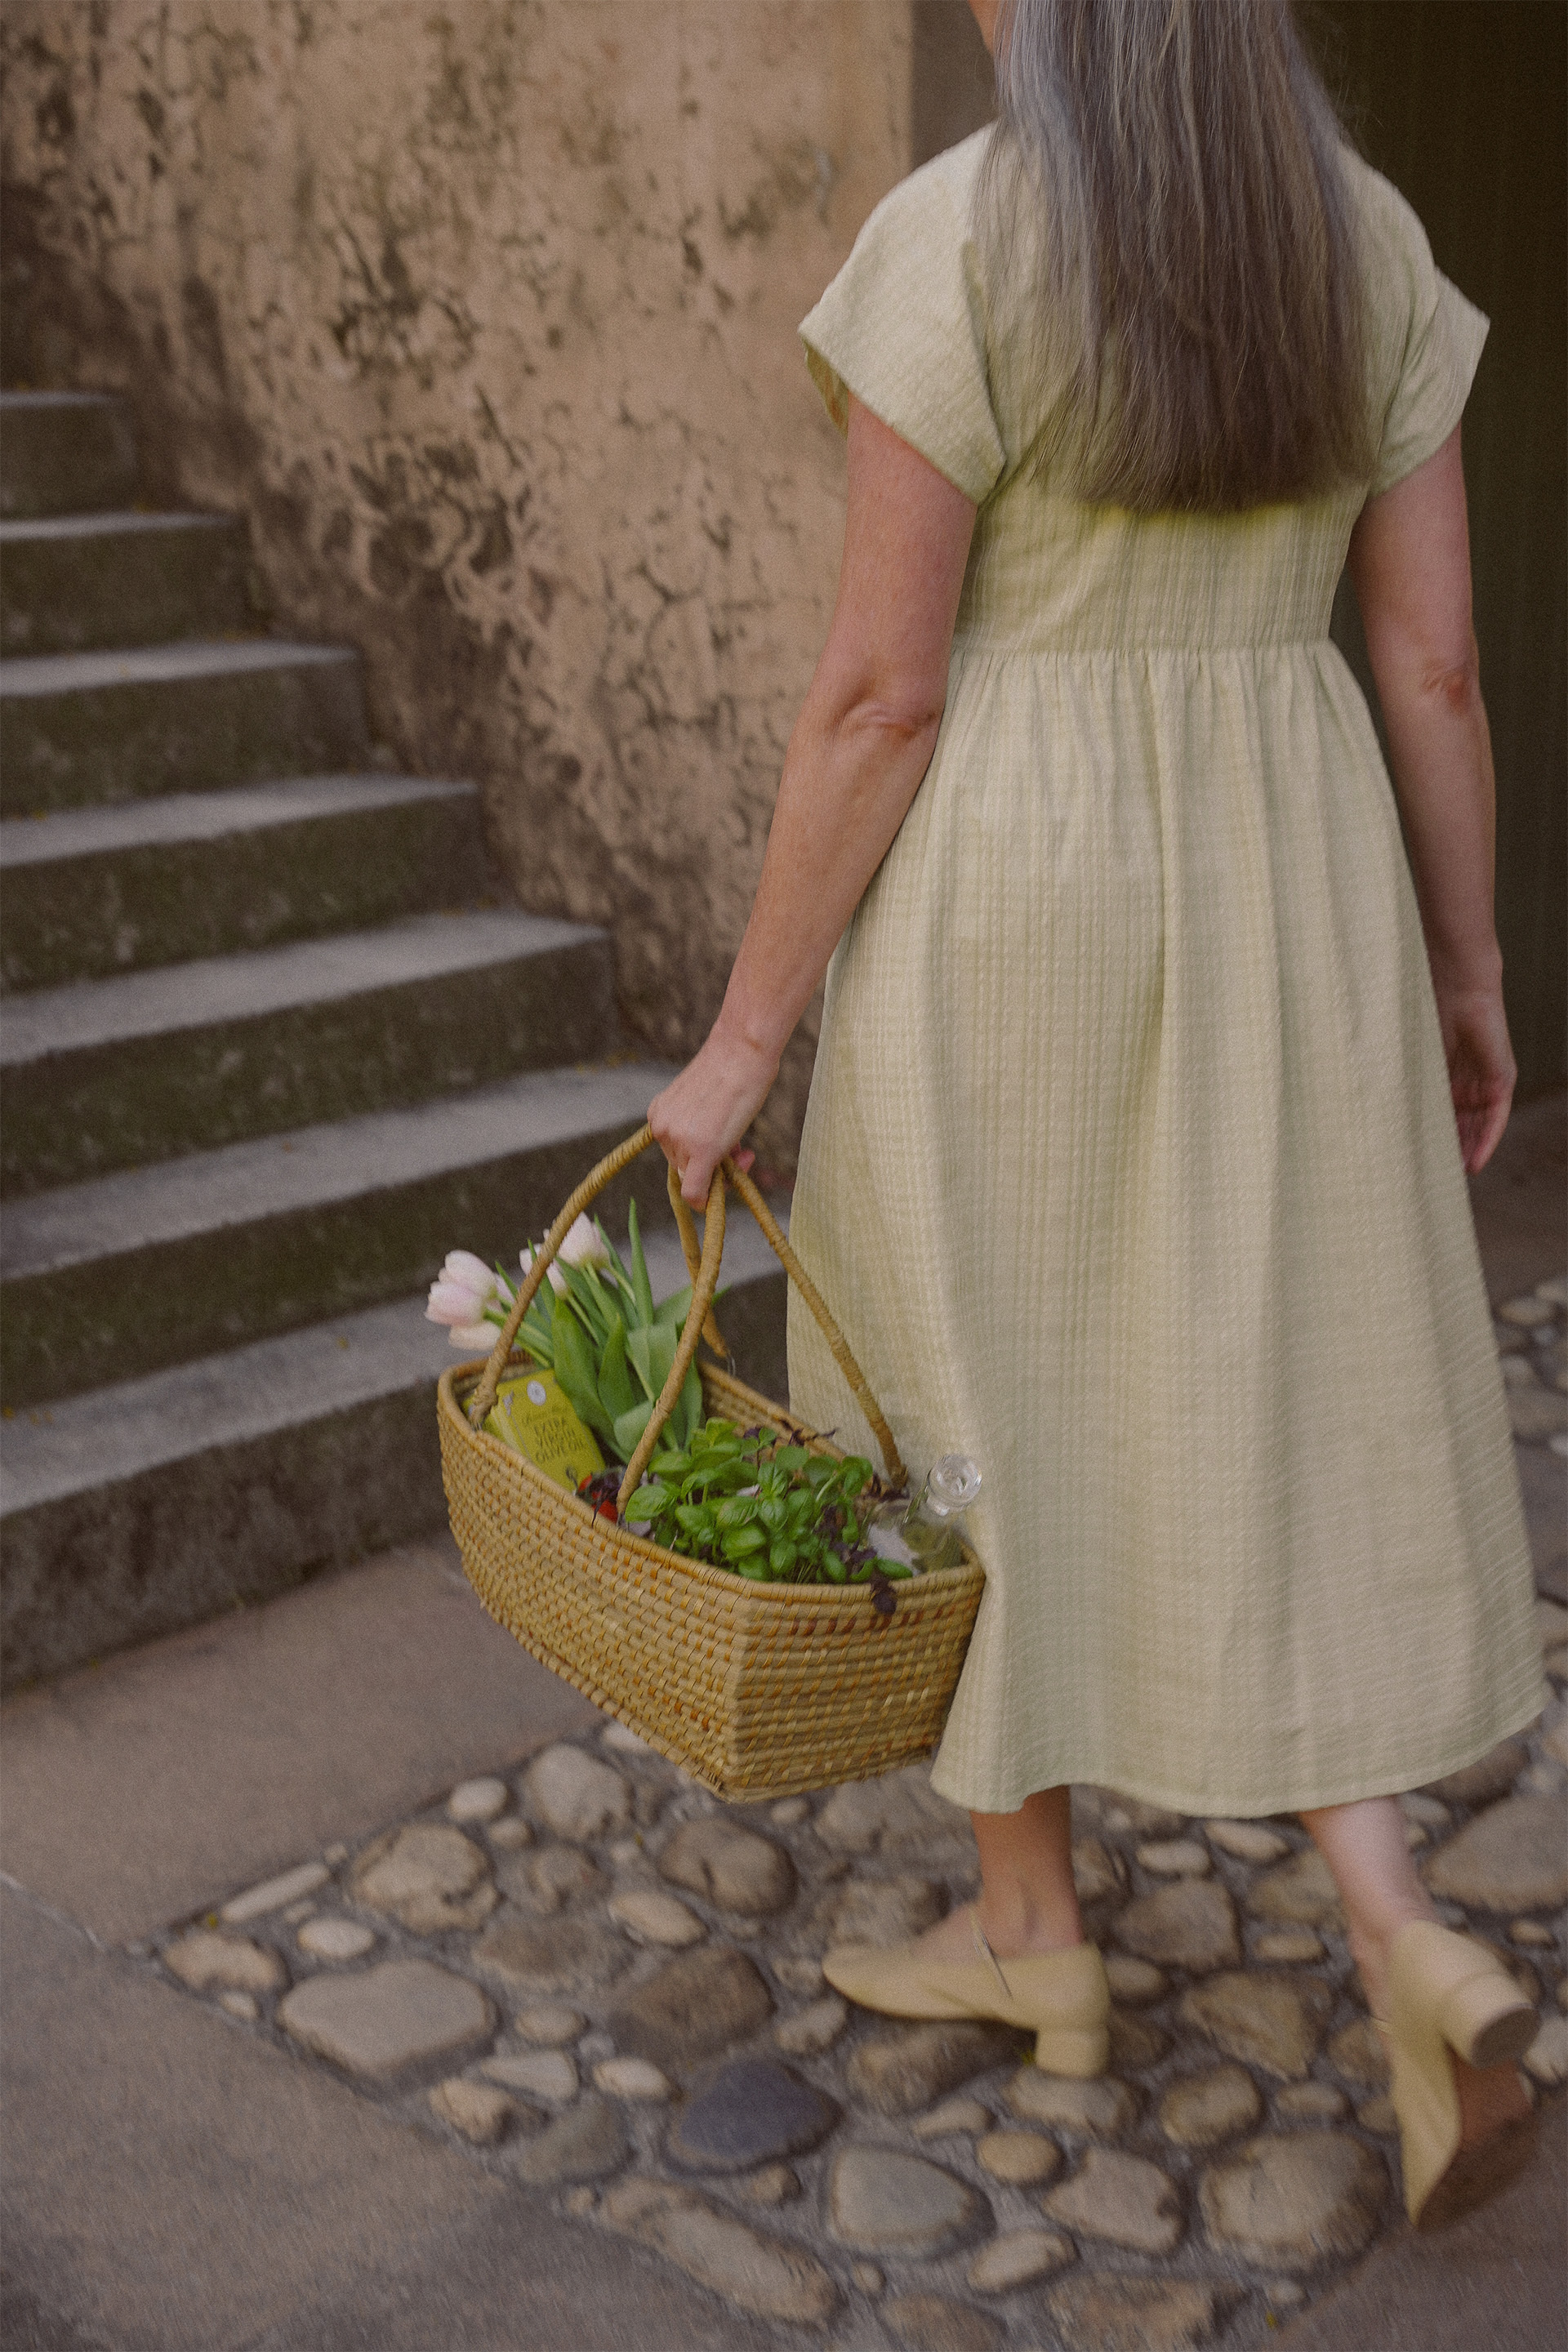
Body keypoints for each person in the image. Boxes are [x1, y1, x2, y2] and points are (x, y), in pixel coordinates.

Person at [649, 0, 1543, 2228]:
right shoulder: (1360, 236)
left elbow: (880, 688)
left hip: (1015, 891)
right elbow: (1430, 664)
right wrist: (1466, 964)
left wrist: (746, 1039)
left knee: (976, 1394)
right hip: (1290, 875)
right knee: (1270, 1383)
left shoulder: (964, 235)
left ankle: (1036, 1931)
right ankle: (1396, 1928)